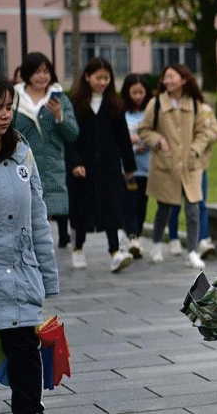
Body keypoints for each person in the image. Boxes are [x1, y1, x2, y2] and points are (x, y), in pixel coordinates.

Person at [0, 74, 59, 414]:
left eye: (7, 107)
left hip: (19, 277)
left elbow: (37, 219)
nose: (4, 115)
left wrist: (47, 275)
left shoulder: (22, 151)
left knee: (26, 360)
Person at [138, 64, 217, 269]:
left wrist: (194, 150)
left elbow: (204, 132)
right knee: (164, 208)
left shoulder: (195, 104)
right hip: (166, 165)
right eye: (166, 77)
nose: (168, 81)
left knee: (192, 210)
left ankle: (191, 252)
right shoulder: (156, 103)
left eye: (172, 77)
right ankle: (155, 244)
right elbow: (143, 129)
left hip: (190, 165)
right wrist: (158, 140)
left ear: (184, 80)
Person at [66, 57, 137, 273]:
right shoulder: (75, 103)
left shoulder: (115, 105)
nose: (103, 82)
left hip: (109, 167)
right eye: (99, 77)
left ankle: (115, 252)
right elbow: (69, 137)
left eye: (106, 78)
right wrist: (75, 162)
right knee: (81, 208)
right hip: (83, 167)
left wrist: (129, 166)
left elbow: (123, 137)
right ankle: (78, 247)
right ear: (87, 77)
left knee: (111, 208)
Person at [12, 52, 79, 249]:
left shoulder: (60, 99)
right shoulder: (15, 98)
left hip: (52, 167)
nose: (42, 76)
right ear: (26, 74)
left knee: (46, 217)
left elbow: (73, 133)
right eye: (37, 72)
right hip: (21, 166)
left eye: (46, 71)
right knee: (24, 215)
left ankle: (42, 260)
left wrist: (59, 116)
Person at [166, 101, 217, 258]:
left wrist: (199, 137)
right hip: (176, 166)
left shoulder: (205, 109)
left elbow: (215, 132)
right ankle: (174, 238)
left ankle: (203, 240)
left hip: (198, 166)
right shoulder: (174, 109)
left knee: (199, 202)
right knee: (174, 203)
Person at [120, 73, 153, 259]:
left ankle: (135, 238)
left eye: (141, 92)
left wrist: (144, 141)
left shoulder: (150, 113)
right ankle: (132, 237)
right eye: (134, 92)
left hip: (147, 168)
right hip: (128, 168)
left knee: (142, 205)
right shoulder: (122, 113)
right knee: (130, 203)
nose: (138, 96)